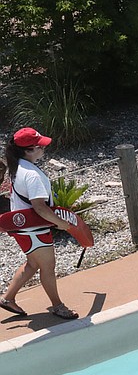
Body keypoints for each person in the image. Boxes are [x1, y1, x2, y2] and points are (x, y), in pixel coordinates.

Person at [0, 128, 78, 319]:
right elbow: (40, 208)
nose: (44, 149)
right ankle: (58, 306)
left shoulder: (17, 166)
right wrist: (62, 224)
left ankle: (8, 298)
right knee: (48, 267)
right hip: (35, 230)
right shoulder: (32, 175)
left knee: (33, 264)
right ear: (29, 150)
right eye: (40, 146)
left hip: (22, 229)